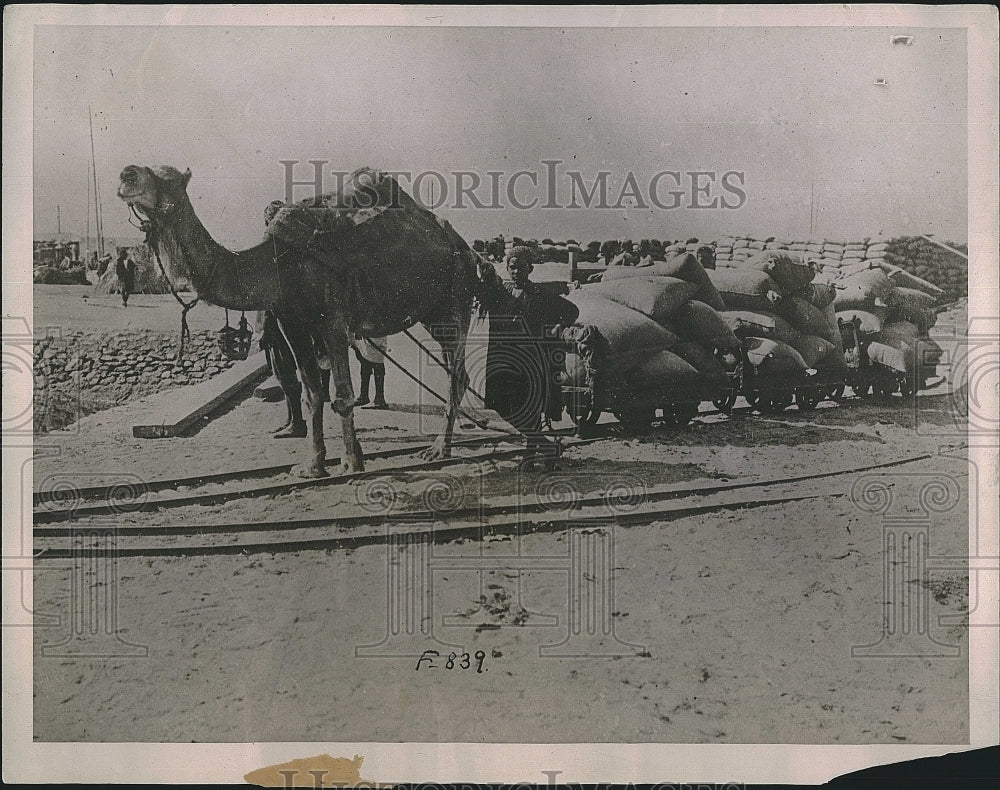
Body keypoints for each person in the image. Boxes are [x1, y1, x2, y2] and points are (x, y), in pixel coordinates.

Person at [482, 248, 580, 459]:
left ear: (530, 269)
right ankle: (544, 446)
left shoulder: (540, 293)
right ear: (507, 269)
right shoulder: (502, 292)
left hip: (531, 360)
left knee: (530, 409)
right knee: (501, 402)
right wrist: (487, 274)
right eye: (512, 267)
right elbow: (485, 295)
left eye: (520, 267)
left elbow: (572, 311)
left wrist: (558, 327)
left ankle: (532, 453)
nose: (516, 271)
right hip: (506, 359)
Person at [352, 334, 388, 408]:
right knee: (365, 359)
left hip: (375, 332)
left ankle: (379, 399)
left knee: (376, 359)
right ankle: (364, 396)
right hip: (368, 334)